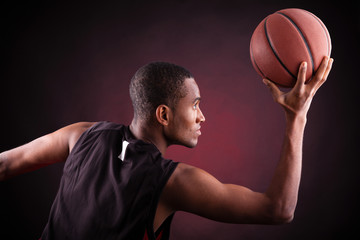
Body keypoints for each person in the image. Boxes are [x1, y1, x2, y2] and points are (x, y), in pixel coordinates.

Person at [0, 57, 333, 240]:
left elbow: (5, 164)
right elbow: (278, 210)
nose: (202, 117)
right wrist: (296, 118)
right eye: (196, 105)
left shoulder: (79, 135)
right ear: (163, 114)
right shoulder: (172, 183)